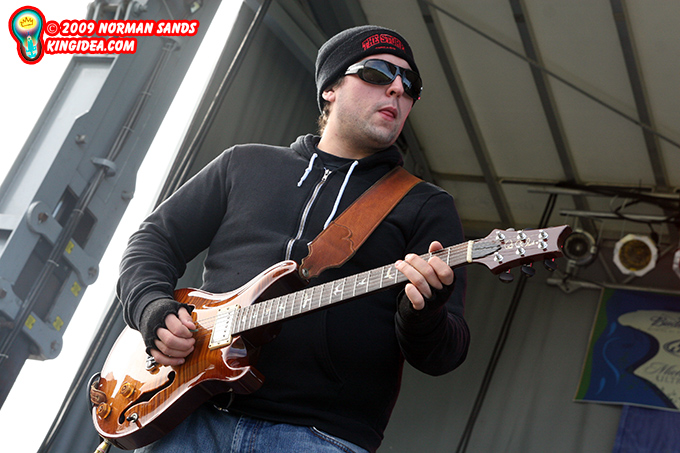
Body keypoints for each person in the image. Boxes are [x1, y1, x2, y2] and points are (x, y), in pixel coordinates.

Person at [117, 25, 470, 453]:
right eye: (377, 72)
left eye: (409, 85)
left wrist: (425, 313)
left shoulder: (426, 205)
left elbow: (444, 354)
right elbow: (153, 241)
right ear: (330, 89)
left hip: (321, 436)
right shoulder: (243, 164)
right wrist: (152, 308)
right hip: (193, 416)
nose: (397, 88)